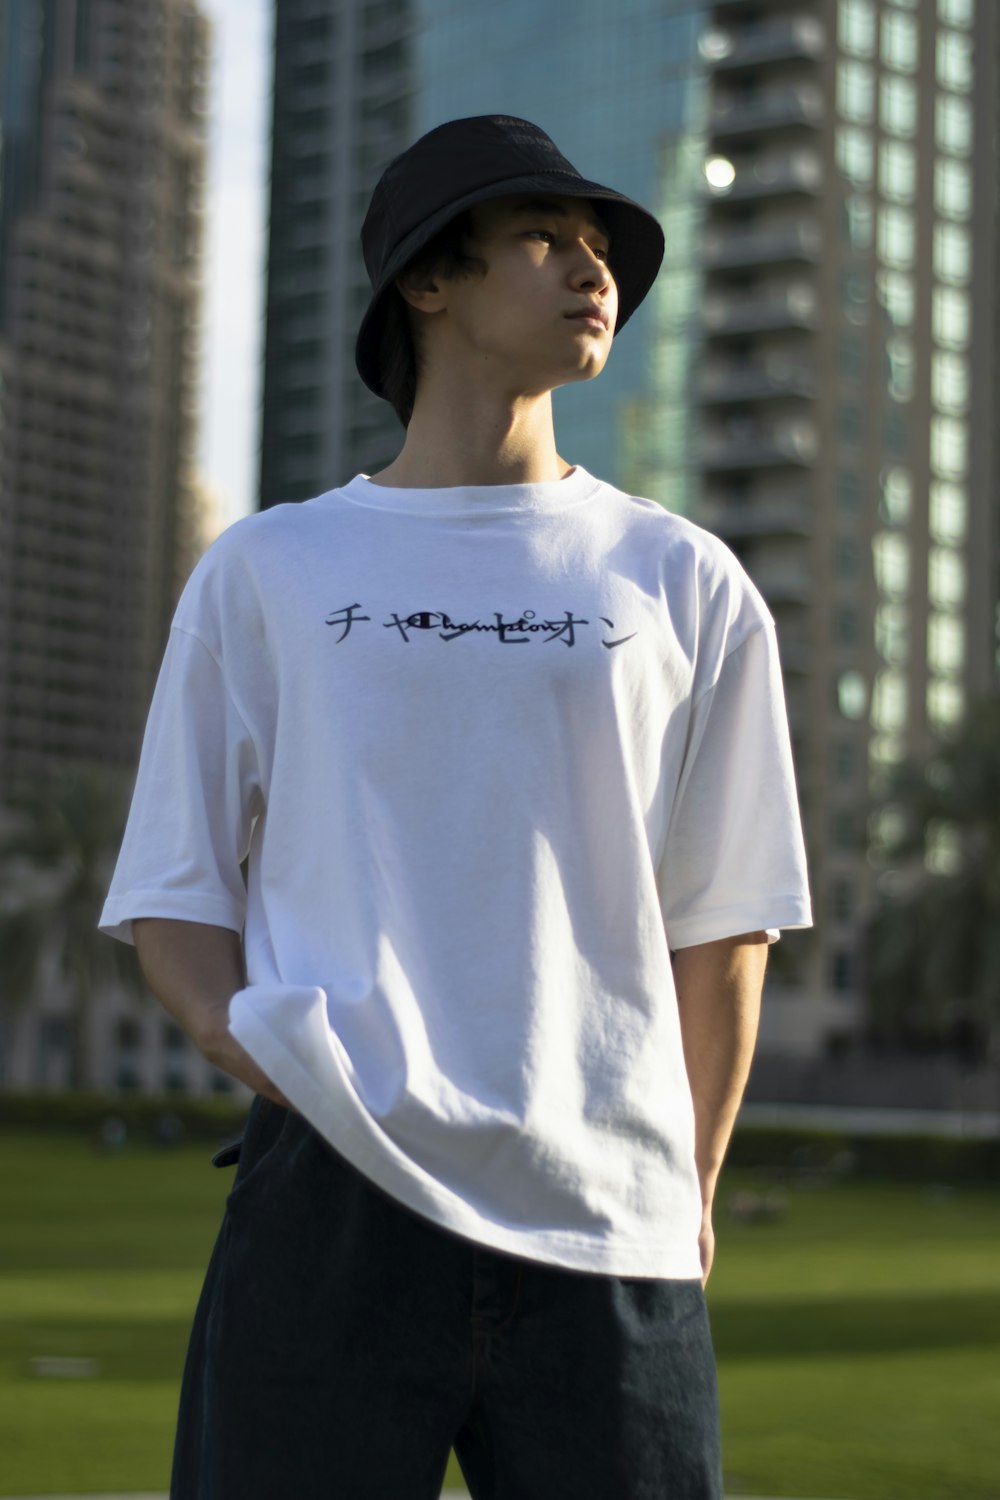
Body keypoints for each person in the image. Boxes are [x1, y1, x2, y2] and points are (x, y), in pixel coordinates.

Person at [100, 115, 812, 1499]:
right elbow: (177, 891)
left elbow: (724, 922)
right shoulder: (269, 570)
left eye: (603, 248)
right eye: (546, 238)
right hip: (330, 1205)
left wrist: (695, 1183)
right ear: (429, 281)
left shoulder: (687, 581)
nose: (592, 269)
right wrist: (280, 1056)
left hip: (611, 1215)